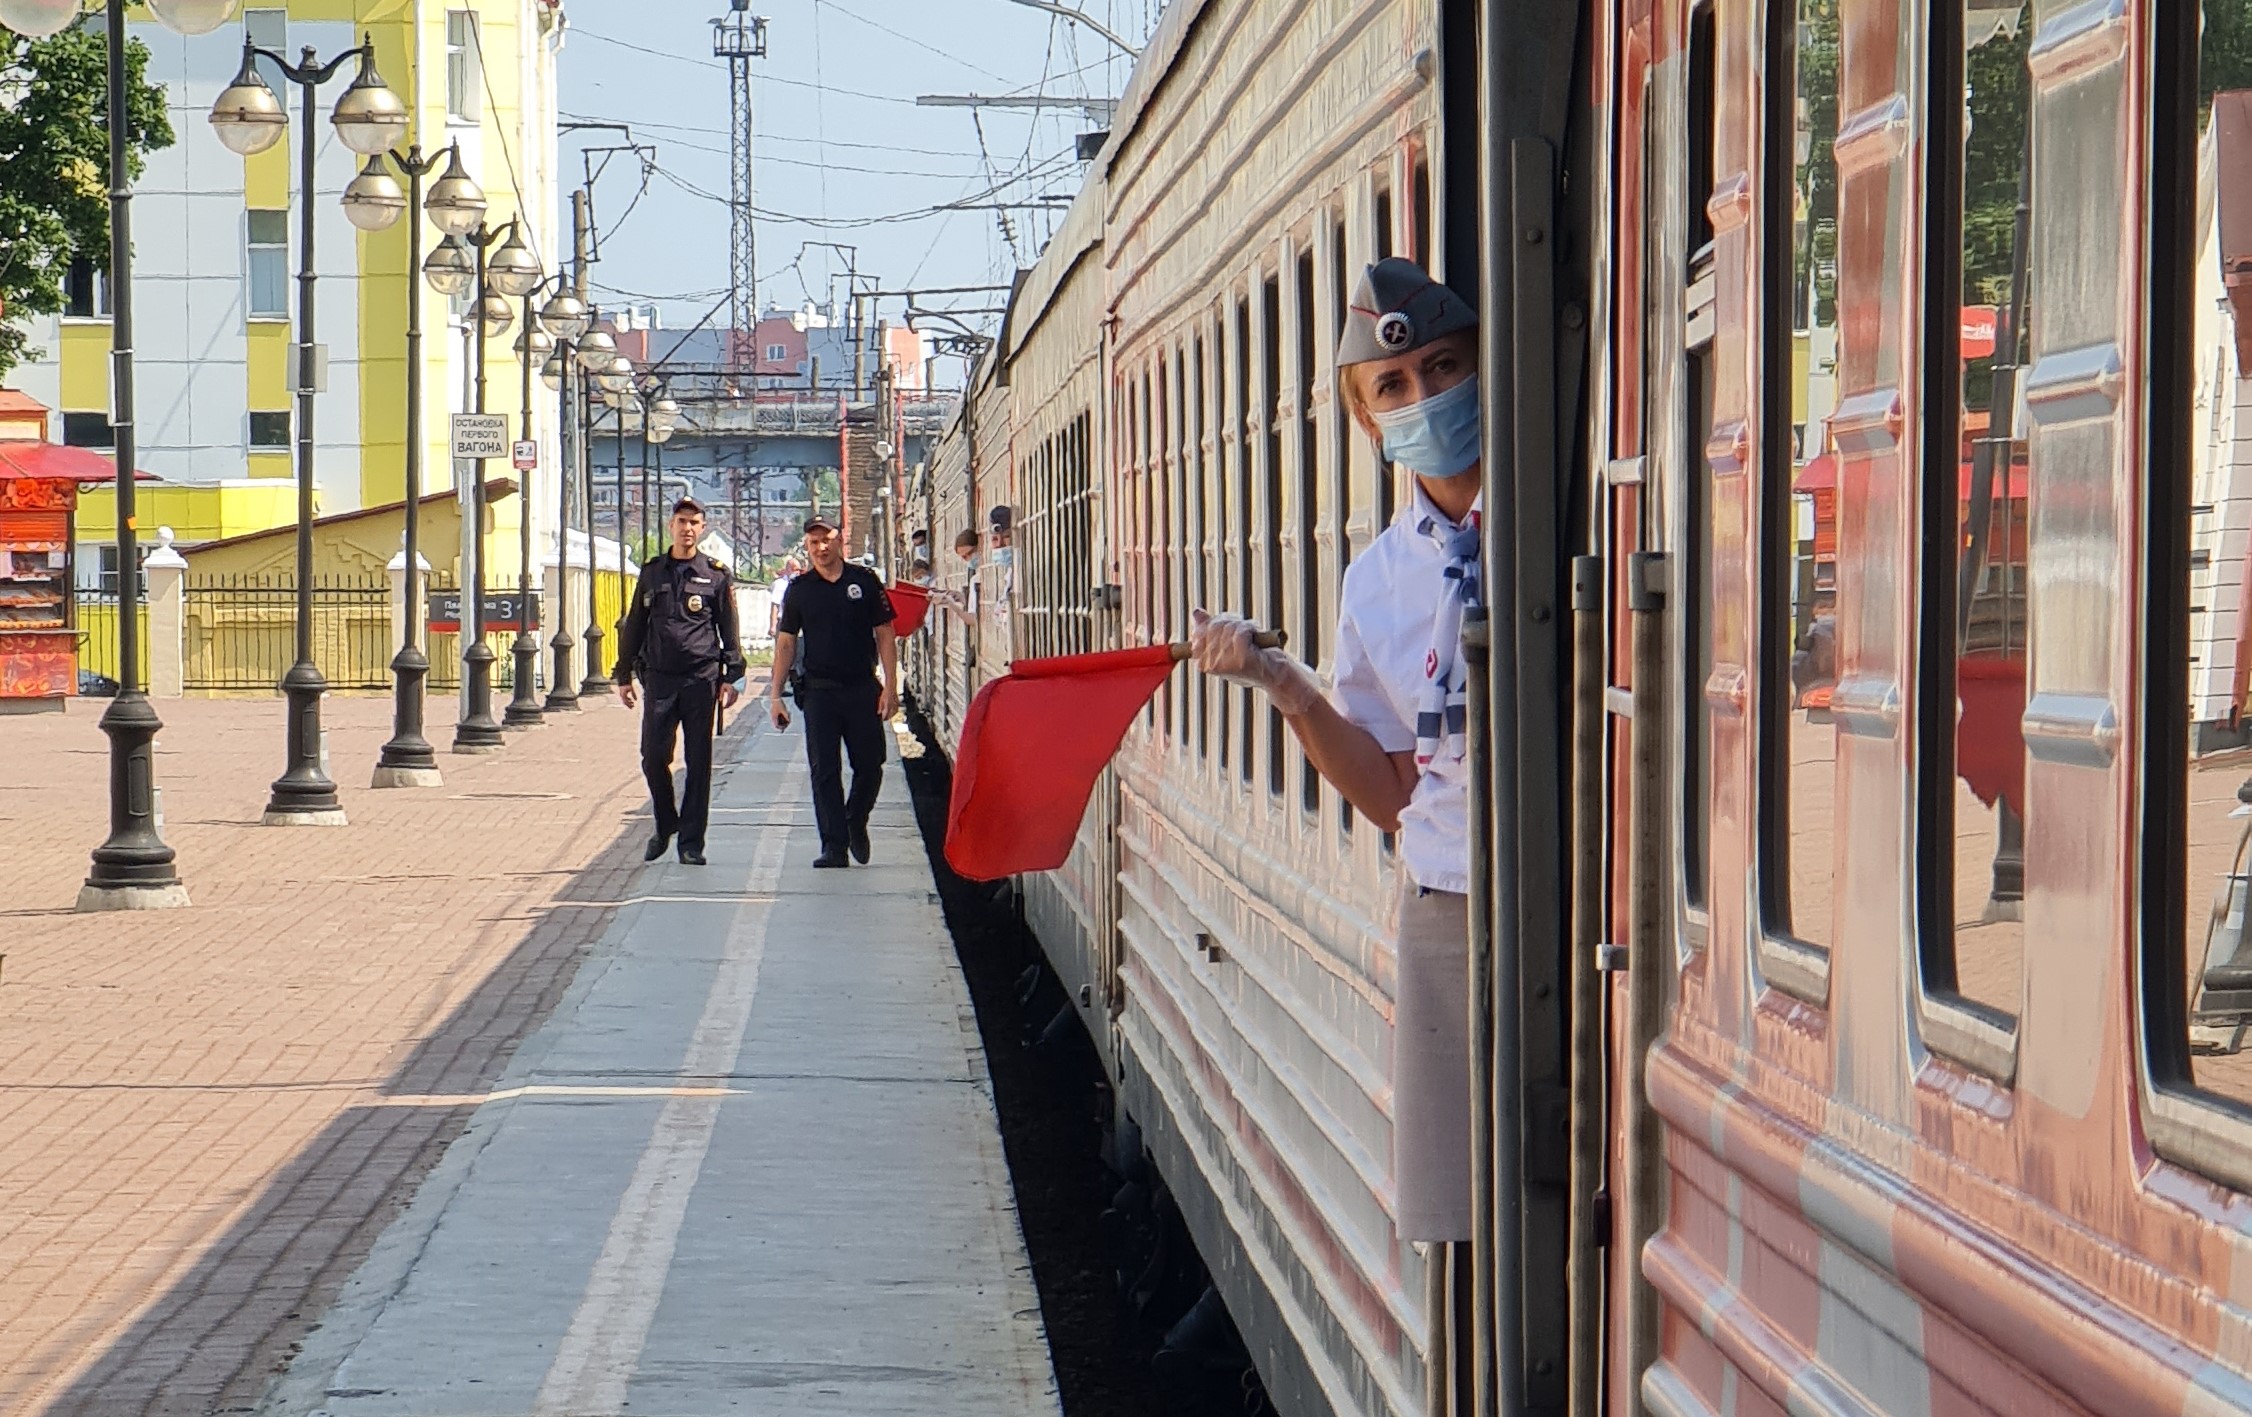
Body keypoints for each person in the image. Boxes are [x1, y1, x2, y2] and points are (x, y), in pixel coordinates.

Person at [1190, 256, 1481, 1244]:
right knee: (1461, 1213)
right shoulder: (1377, 580)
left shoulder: (1575, 514)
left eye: (1444, 368)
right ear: (1368, 423)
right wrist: (1286, 688)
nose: (1425, 397)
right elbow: (1396, 789)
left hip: (1578, 893)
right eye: (1393, 387)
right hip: (1447, 901)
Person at [615, 496, 746, 867]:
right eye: (681, 521)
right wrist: (624, 674)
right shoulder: (653, 572)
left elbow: (728, 628)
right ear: (670, 525)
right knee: (653, 756)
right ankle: (665, 820)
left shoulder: (716, 575)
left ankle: (691, 843)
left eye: (694, 522)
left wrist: (732, 675)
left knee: (698, 761)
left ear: (702, 528)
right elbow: (635, 625)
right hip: (659, 678)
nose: (687, 528)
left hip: (701, 679)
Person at [769, 513, 900, 869]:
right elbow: (785, 643)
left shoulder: (865, 581)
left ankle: (855, 818)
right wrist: (776, 694)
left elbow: (885, 633)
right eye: (813, 542)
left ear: (838, 540)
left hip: (861, 688)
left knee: (871, 765)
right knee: (824, 770)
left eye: (826, 539)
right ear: (807, 547)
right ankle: (833, 845)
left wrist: (891, 685)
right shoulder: (800, 589)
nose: (820, 547)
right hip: (819, 693)